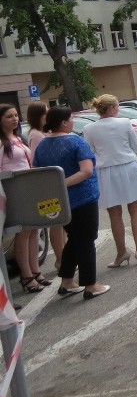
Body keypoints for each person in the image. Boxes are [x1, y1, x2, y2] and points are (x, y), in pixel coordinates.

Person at [33, 106, 110, 300]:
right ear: (64, 122)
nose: (72, 122)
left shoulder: (42, 145)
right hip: (82, 198)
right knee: (86, 240)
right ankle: (91, 285)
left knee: (74, 238)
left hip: (60, 201)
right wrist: (63, 183)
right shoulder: (75, 142)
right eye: (70, 119)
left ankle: (67, 280)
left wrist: (56, 188)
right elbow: (86, 170)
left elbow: (37, 172)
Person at [82, 94, 137, 267]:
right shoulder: (124, 123)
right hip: (128, 166)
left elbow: (89, 152)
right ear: (112, 108)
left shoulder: (89, 128)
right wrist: (129, 157)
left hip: (106, 171)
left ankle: (121, 252)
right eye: (117, 106)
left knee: (114, 214)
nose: (118, 109)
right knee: (135, 209)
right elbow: (134, 146)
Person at [0, 104, 51, 295]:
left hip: (29, 188)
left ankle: (35, 271)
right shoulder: (1, 141)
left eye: (15, 115)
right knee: (22, 233)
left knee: (34, 230)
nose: (14, 119)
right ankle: (26, 275)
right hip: (14, 191)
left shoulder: (18, 138)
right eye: (8, 117)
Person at [26, 101, 67, 270]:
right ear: (39, 116)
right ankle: (60, 259)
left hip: (50, 182)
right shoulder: (36, 135)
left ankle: (63, 257)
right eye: (46, 112)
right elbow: (38, 161)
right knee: (56, 222)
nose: (48, 115)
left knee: (61, 222)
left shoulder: (38, 133)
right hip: (47, 184)